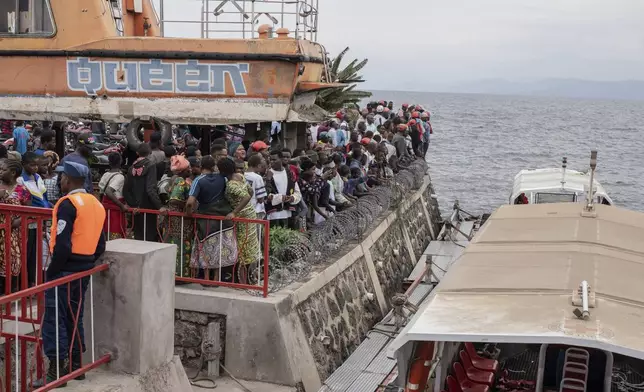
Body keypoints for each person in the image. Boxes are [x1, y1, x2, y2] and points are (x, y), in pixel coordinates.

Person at [37, 161, 106, 388]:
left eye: (62, 177)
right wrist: (86, 262)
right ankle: (77, 367)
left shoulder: (67, 204)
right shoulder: (95, 204)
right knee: (75, 315)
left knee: (55, 319)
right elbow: (100, 245)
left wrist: (53, 273)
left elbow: (63, 245)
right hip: (84, 268)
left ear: (68, 179)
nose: (60, 181)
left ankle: (56, 372)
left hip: (65, 270)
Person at [186, 156, 237, 281]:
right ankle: (217, 278)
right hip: (223, 220)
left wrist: (189, 214)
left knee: (206, 249)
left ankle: (207, 278)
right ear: (213, 167)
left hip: (206, 220)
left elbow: (190, 202)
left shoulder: (198, 180)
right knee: (219, 249)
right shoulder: (223, 179)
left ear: (201, 166)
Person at [220, 158, 260, 283]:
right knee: (251, 245)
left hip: (242, 217)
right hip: (250, 213)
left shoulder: (231, 184)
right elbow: (250, 191)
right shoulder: (240, 176)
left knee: (242, 247)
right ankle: (251, 277)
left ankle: (243, 279)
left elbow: (247, 196)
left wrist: (234, 211)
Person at [123, 144, 165, 242]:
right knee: (149, 237)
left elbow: (126, 190)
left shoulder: (131, 168)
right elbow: (150, 189)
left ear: (137, 153)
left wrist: (133, 205)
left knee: (139, 237)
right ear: (150, 152)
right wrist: (159, 206)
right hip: (149, 207)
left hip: (136, 208)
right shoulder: (150, 165)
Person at [0, 159, 30, 294]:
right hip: (1, 230)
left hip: (14, 233)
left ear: (13, 173)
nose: (0, 172)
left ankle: (9, 293)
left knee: (13, 259)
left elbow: (28, 211)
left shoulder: (22, 190)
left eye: (3, 170)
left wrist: (17, 221)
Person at [164, 155, 194, 278]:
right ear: (183, 170)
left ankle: (175, 274)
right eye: (188, 168)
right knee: (182, 246)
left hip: (174, 218)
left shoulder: (174, 179)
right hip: (180, 220)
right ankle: (181, 275)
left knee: (174, 245)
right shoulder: (181, 181)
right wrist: (187, 204)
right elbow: (174, 200)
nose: (190, 170)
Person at [265, 150, 301, 228]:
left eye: (274, 160)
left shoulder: (290, 174)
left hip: (288, 213)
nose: (272, 162)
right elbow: (265, 194)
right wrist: (279, 198)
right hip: (273, 214)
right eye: (270, 160)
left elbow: (297, 192)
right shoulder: (267, 174)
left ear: (281, 159)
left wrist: (292, 198)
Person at [99, 153, 127, 239]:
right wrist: (121, 205)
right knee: (115, 231)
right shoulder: (120, 177)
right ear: (120, 162)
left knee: (106, 230)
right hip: (115, 209)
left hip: (106, 207)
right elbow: (108, 191)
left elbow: (101, 192)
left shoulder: (105, 174)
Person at [245, 154, 267, 219]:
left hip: (243, 209)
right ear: (259, 166)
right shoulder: (258, 177)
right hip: (255, 210)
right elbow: (261, 198)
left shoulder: (242, 175)